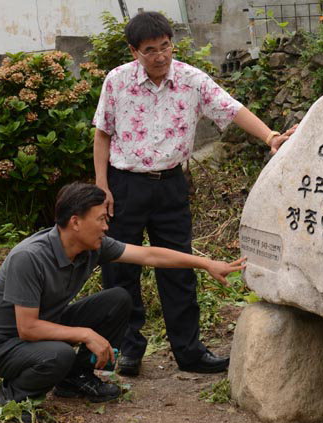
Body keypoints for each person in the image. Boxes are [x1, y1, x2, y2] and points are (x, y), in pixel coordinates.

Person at [93, 11, 293, 376]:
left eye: (165, 46)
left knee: (180, 269)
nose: (160, 56)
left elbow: (232, 109)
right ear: (134, 50)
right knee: (120, 268)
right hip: (125, 185)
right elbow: (103, 133)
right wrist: (102, 186)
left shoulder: (191, 80)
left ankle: (189, 351)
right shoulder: (117, 81)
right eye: (150, 50)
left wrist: (270, 137)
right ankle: (128, 349)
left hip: (171, 185)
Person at [0, 182, 245, 413]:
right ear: (75, 222)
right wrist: (85, 334)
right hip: (2, 346)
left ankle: (76, 378)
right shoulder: (30, 257)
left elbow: (149, 255)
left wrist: (206, 263)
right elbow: (28, 328)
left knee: (116, 299)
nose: (106, 226)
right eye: (101, 219)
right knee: (58, 354)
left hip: (45, 326)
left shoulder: (92, 246)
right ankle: (13, 395)